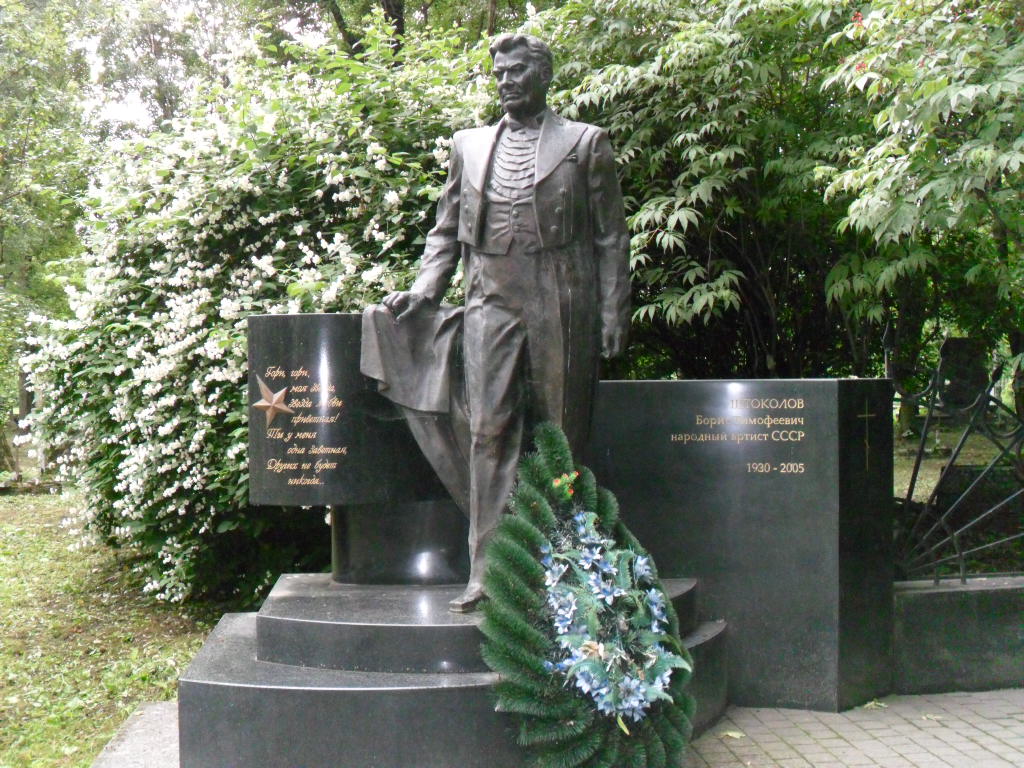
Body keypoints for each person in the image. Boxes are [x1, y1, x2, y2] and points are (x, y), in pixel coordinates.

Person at [362, 33, 629, 611]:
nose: (506, 81)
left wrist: (612, 312)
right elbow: (445, 231)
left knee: (561, 434)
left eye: (517, 71)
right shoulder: (469, 145)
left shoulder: (585, 143)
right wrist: (425, 290)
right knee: (488, 430)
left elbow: (610, 237)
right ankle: (488, 569)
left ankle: (562, 562)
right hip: (489, 300)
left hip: (561, 298)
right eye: (500, 73)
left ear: (543, 76)